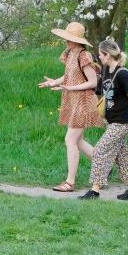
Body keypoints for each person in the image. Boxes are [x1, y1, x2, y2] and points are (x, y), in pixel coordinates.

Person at [38, 21, 102, 192]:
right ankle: (104, 164)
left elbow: (92, 82)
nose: (66, 41)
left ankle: (70, 182)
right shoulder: (69, 54)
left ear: (78, 40)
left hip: (84, 102)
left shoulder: (84, 56)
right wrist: (53, 83)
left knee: (70, 140)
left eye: (69, 38)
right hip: (73, 101)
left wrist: (70, 88)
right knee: (78, 141)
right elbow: (68, 76)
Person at [78, 38, 128, 200]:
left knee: (99, 150)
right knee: (121, 154)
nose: (99, 57)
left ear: (107, 55)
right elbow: (100, 91)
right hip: (112, 120)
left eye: (100, 55)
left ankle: (95, 190)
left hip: (123, 120)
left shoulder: (123, 74)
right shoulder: (106, 71)